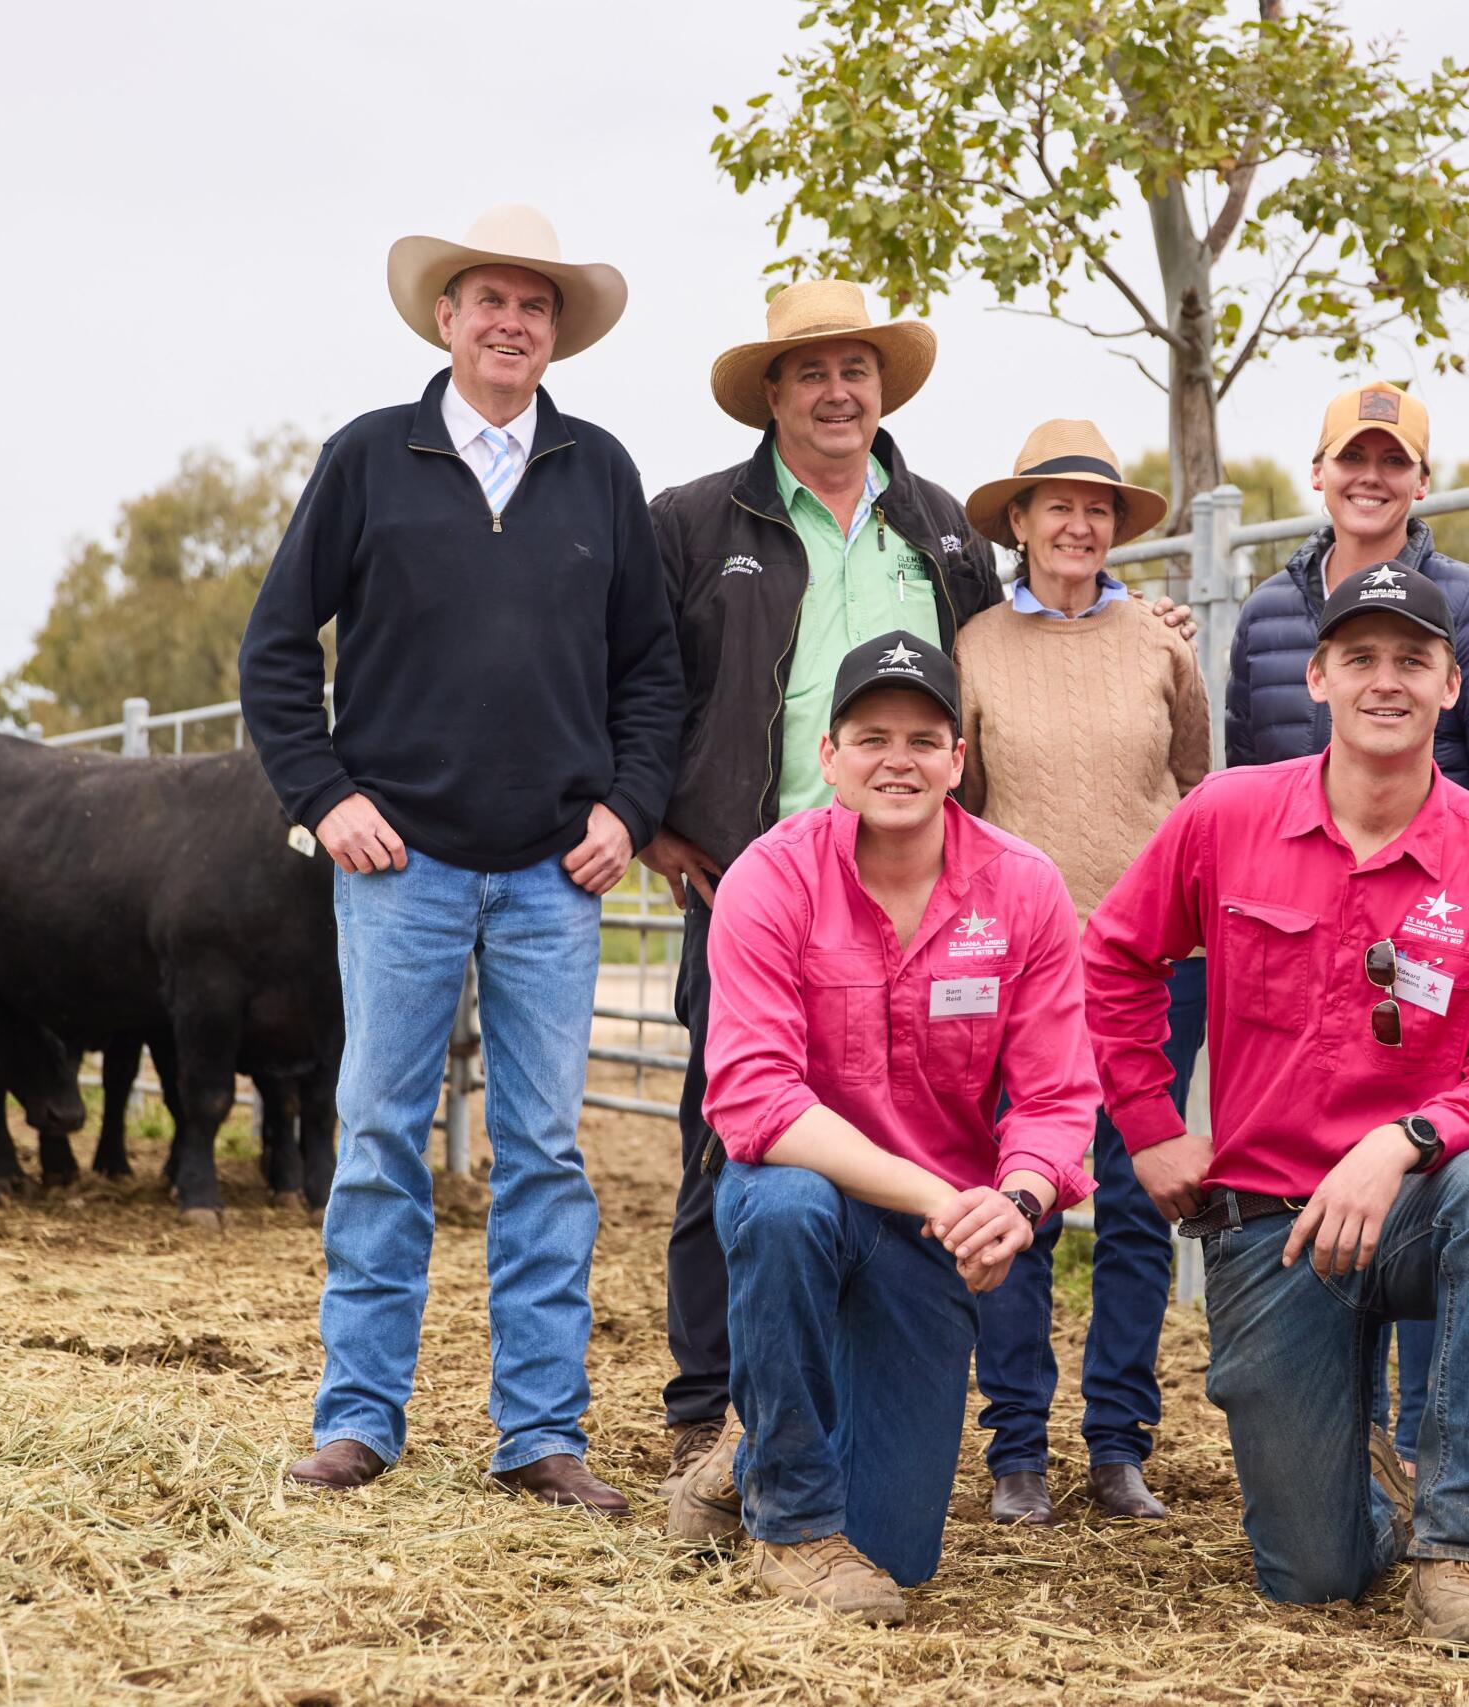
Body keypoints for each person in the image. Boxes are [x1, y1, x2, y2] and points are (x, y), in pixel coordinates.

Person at [642, 282, 1190, 1499]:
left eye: (858, 370)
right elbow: (641, 674)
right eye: (811, 372)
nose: (839, 392)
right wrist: (655, 820)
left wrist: (1129, 622)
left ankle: (892, 1385)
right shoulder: (693, 520)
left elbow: (1003, 663)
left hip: (926, 893)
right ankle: (716, 1413)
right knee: (732, 1150)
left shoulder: (938, 525)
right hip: (754, 882)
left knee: (921, 1132)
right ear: (773, 394)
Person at [240, 204, 682, 1508]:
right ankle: (359, 1418)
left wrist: (627, 806)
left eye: (534, 306)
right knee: (380, 1132)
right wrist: (325, 794)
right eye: (488, 300)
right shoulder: (371, 457)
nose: (510, 322)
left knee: (545, 1148)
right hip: (400, 867)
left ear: (558, 332)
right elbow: (275, 650)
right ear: (445, 317)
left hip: (556, 869)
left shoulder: (600, 471)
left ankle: (540, 1433)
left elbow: (650, 672)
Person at [1085, 565, 1469, 1655]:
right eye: (1360, 659)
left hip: (1421, 1201)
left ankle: (1460, 1556)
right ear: (1316, 678)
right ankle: (1358, 1475)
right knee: (1311, 1578)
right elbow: (1114, 958)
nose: (1384, 682)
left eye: (1411, 661)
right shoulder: (1226, 815)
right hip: (1269, 1220)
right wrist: (1153, 1124)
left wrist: (1402, 1145)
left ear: (1451, 684)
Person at [665, 632, 1100, 1623]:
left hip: (932, 1235)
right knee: (781, 1204)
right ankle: (793, 1532)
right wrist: (945, 1196)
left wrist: (1018, 1200)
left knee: (898, 1554)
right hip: (840, 1195)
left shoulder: (1022, 888)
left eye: (922, 737)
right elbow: (756, 1099)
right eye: (870, 737)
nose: (895, 759)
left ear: (957, 759)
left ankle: (754, 1447)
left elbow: (1054, 1093)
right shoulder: (770, 880)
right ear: (828, 756)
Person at [1227, 378, 1469, 1473]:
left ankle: (1429, 1444)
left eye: (1393, 460)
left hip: (1442, 934)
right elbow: (1244, 772)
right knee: (1324, 1167)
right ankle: (1351, 1438)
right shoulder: (1272, 612)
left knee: (1448, 1171)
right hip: (1305, 924)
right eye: (1350, 458)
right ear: (1317, 473)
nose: (1370, 477)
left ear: (1421, 480)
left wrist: (1461, 917)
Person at [952, 421, 1208, 1525]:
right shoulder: (974, 646)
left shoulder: (1161, 643)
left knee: (1142, 1203)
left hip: (1151, 959)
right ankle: (1016, 1446)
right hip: (1020, 964)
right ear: (1017, 523)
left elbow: (1196, 781)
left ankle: (1117, 1444)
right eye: (1054, 506)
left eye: (1096, 509)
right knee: (1022, 1201)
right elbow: (957, 810)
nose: (1076, 525)